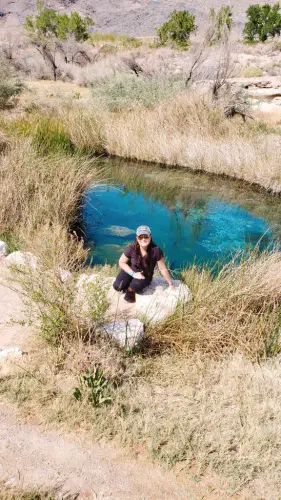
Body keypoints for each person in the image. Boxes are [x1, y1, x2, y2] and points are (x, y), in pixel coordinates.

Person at [113, 225, 175, 303]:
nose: (143, 239)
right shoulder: (132, 248)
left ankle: (130, 289)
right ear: (136, 238)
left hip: (145, 275)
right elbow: (121, 262)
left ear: (150, 237)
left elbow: (162, 268)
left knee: (134, 287)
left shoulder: (156, 251)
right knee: (117, 286)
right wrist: (133, 274)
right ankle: (128, 283)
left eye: (146, 236)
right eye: (140, 237)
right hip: (131, 270)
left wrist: (171, 283)